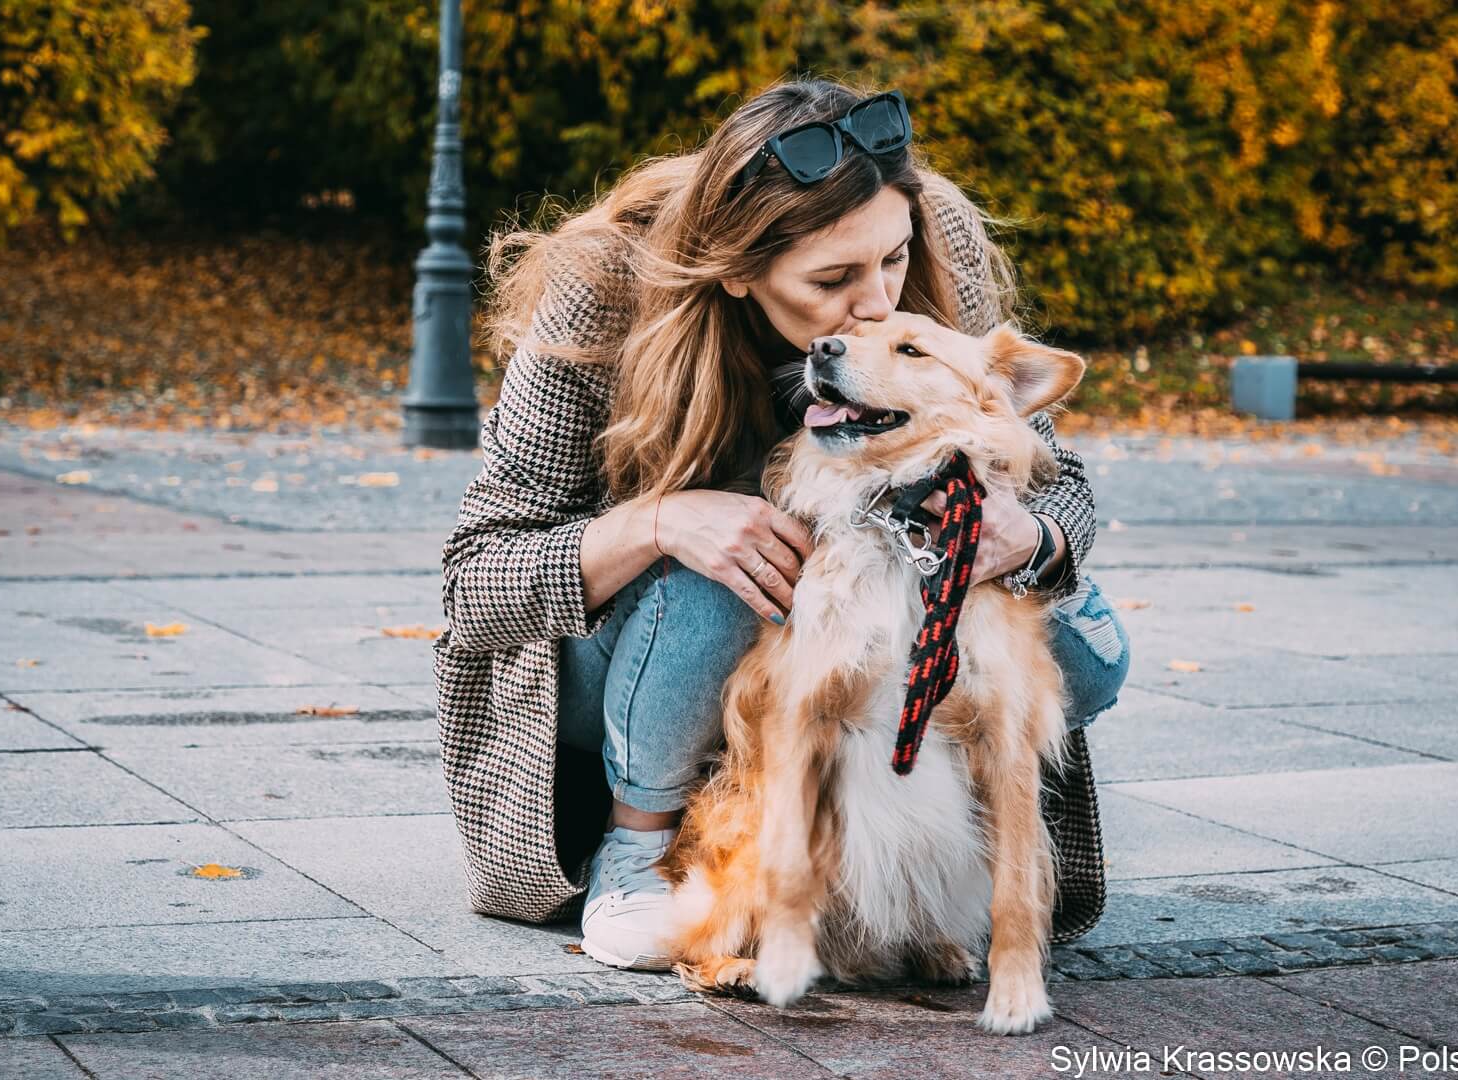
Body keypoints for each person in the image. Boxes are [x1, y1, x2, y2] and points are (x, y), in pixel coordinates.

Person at [435, 76, 1131, 973]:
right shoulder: (603, 287)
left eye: (892, 259)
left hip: (841, 642)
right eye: (833, 280)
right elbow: (471, 582)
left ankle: (915, 864)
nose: (878, 302)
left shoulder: (924, 232)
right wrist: (660, 520)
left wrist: (1031, 537)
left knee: (1080, 645)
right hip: (636, 655)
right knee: (731, 561)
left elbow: (1054, 466)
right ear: (736, 268)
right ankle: (636, 848)